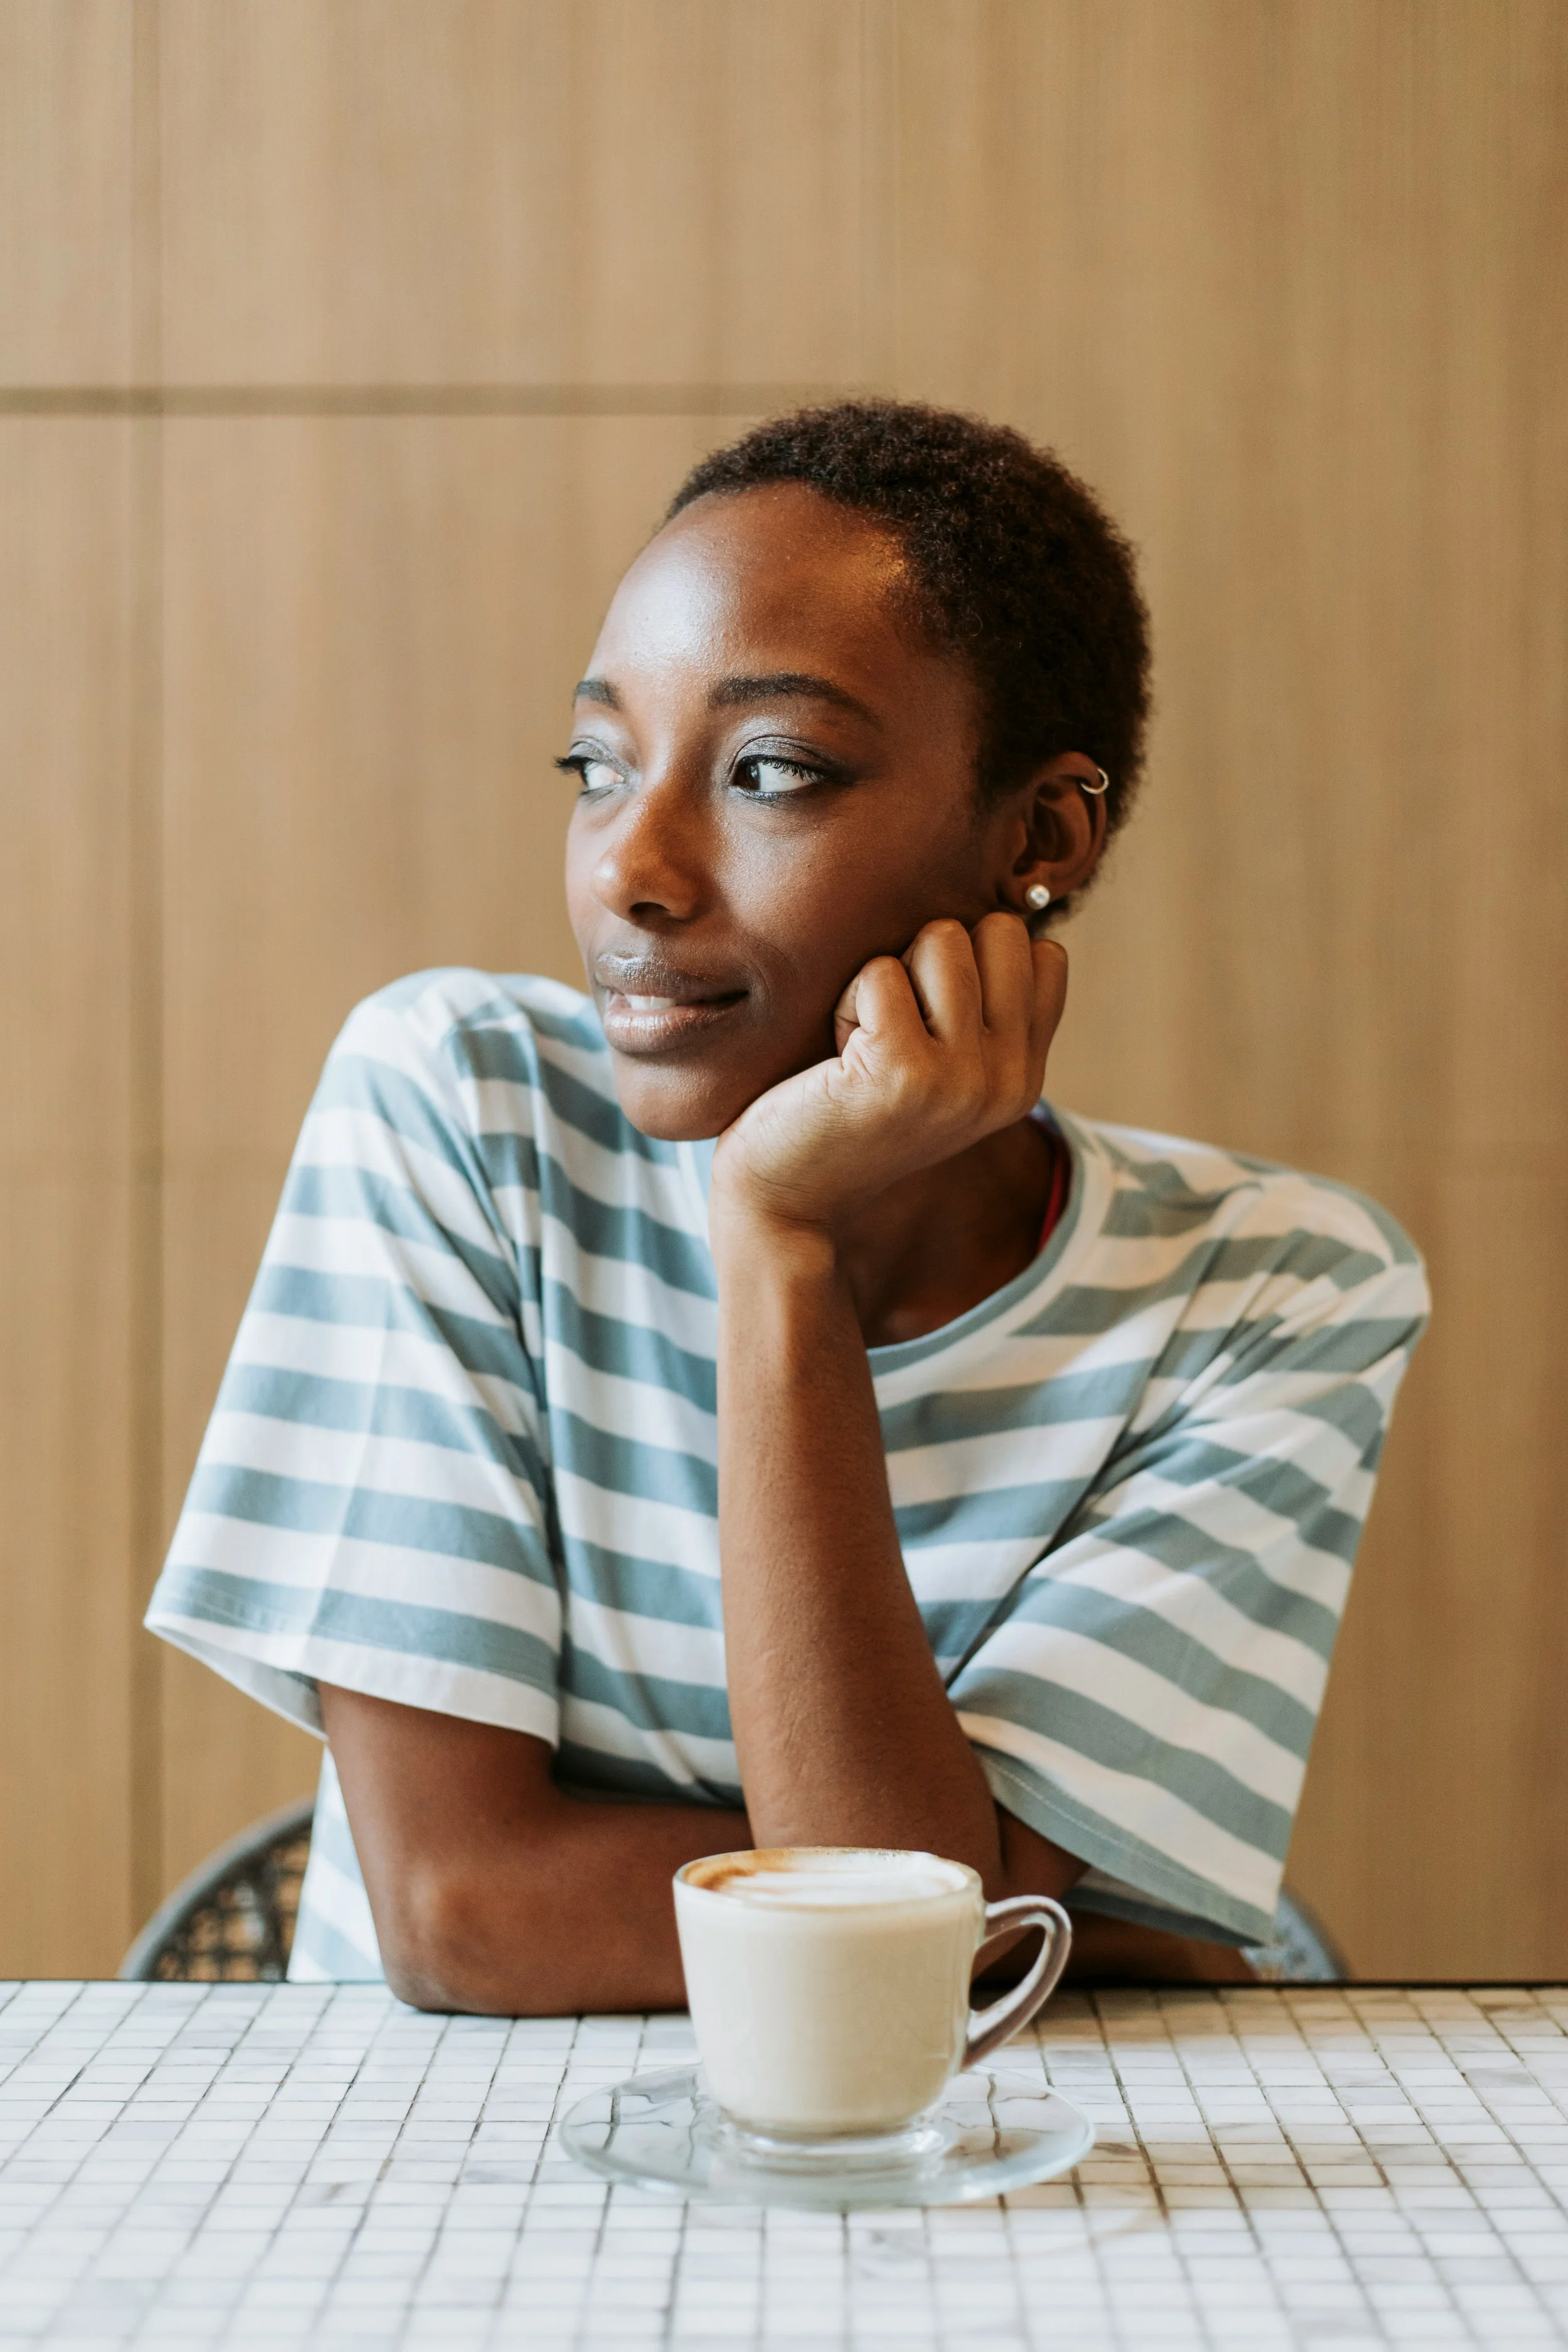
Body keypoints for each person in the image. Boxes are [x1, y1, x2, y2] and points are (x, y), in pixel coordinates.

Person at [146, 400, 1428, 2006]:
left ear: (1037, 835)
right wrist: (1047, 1924)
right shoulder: (460, 1103)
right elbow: (461, 1911)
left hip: (966, 2166)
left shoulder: (1274, 1292)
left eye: (769, 772)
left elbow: (908, 1945)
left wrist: (774, 1238)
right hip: (442, 2158)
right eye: (596, 766)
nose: (629, 868)